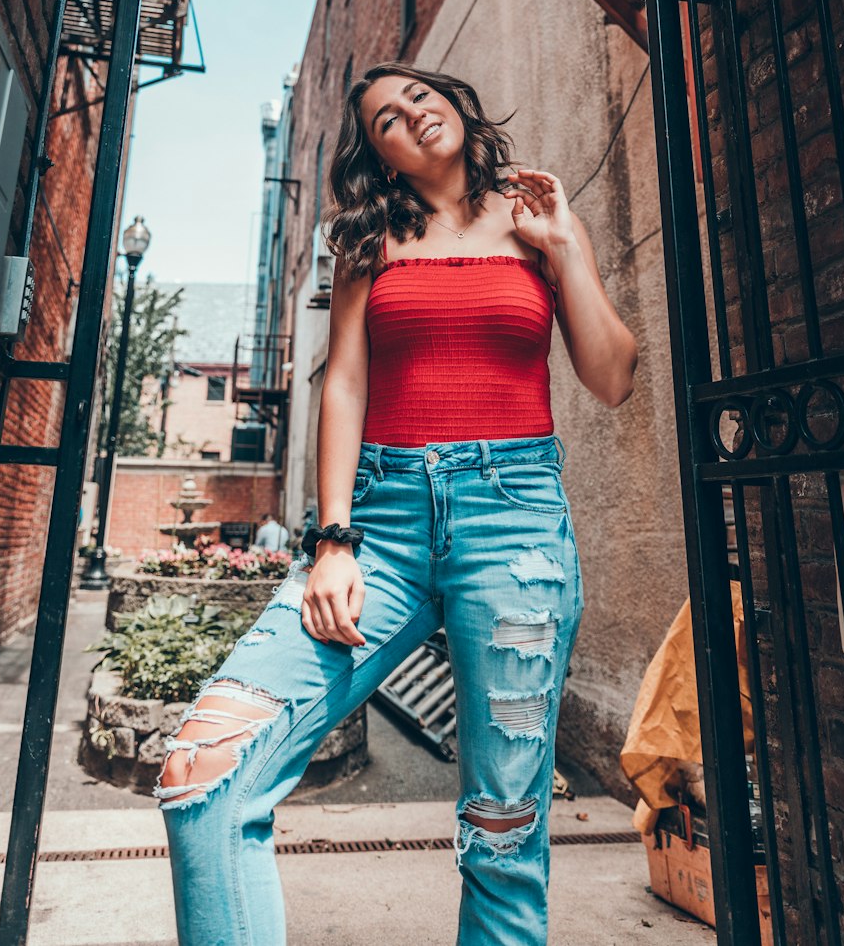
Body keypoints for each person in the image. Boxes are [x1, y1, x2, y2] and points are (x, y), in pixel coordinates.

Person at [156, 62, 638, 945]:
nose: (409, 113)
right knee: (204, 771)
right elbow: (342, 386)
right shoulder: (367, 239)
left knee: (504, 834)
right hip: (379, 524)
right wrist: (332, 540)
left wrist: (566, 243)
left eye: (419, 94)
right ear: (377, 157)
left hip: (515, 523)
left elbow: (611, 378)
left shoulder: (535, 222)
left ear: (455, 102)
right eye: (384, 118)